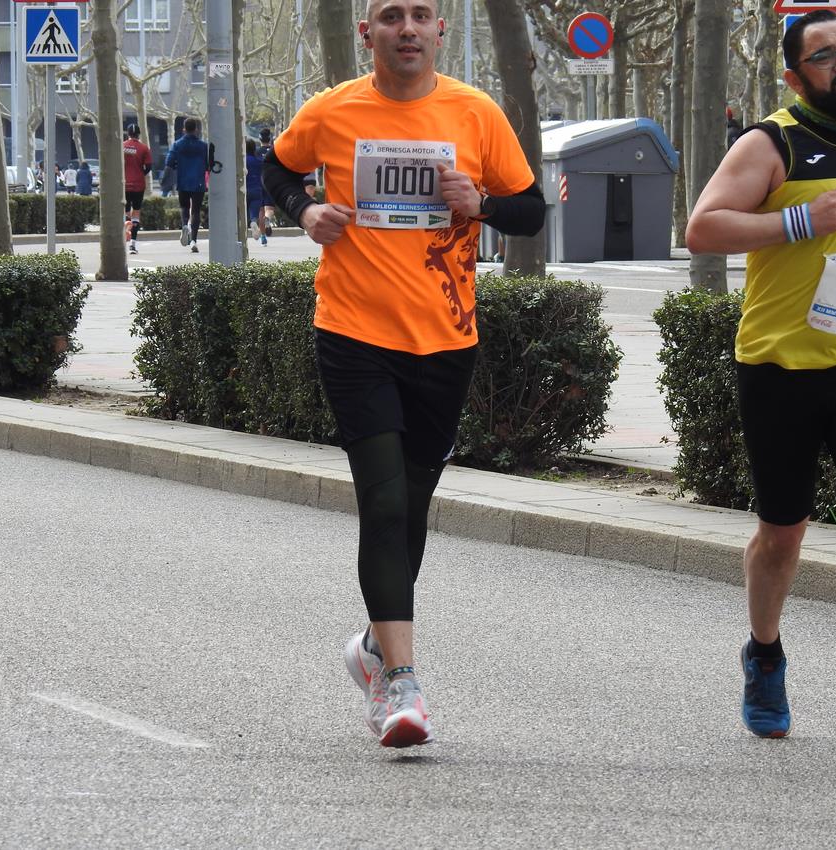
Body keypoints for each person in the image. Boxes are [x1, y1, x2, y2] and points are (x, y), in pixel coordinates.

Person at [263, 0, 544, 750]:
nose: (407, 28)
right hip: (353, 334)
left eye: (421, 14)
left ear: (440, 30)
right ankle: (401, 684)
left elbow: (530, 210)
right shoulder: (331, 110)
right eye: (391, 16)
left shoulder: (474, 112)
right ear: (369, 33)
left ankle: (370, 647)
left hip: (446, 340)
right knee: (384, 505)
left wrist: (481, 205)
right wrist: (304, 211)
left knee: (411, 508)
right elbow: (277, 168)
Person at [685, 9, 836, 750]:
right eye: (824, 57)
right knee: (782, 531)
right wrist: (799, 221)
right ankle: (763, 653)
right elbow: (703, 226)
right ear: (794, 77)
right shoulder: (772, 141)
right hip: (779, 364)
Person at [165, 117, 208, 254]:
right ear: (196, 129)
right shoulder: (203, 146)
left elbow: (169, 162)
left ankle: (184, 225)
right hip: (198, 182)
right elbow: (209, 164)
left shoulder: (177, 145)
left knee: (184, 207)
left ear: (184, 129)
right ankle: (193, 240)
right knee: (195, 210)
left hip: (182, 181)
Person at [123, 123, 153, 255]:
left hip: (124, 184)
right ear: (139, 134)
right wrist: (141, 173)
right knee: (136, 213)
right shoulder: (144, 148)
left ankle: (126, 229)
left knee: (125, 211)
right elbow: (149, 166)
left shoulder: (122, 147)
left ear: (128, 134)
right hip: (138, 185)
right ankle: (133, 245)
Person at [245, 139, 267, 245]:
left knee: (242, 213)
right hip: (257, 189)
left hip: (244, 189)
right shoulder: (259, 160)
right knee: (254, 213)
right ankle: (253, 222)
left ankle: (241, 234)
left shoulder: (242, 161)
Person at [257, 127, 276, 237]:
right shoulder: (274, 151)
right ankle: (268, 219)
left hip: (259, 183)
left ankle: (263, 237)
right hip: (271, 182)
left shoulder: (256, 152)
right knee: (269, 208)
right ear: (270, 138)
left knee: (260, 210)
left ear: (260, 138)